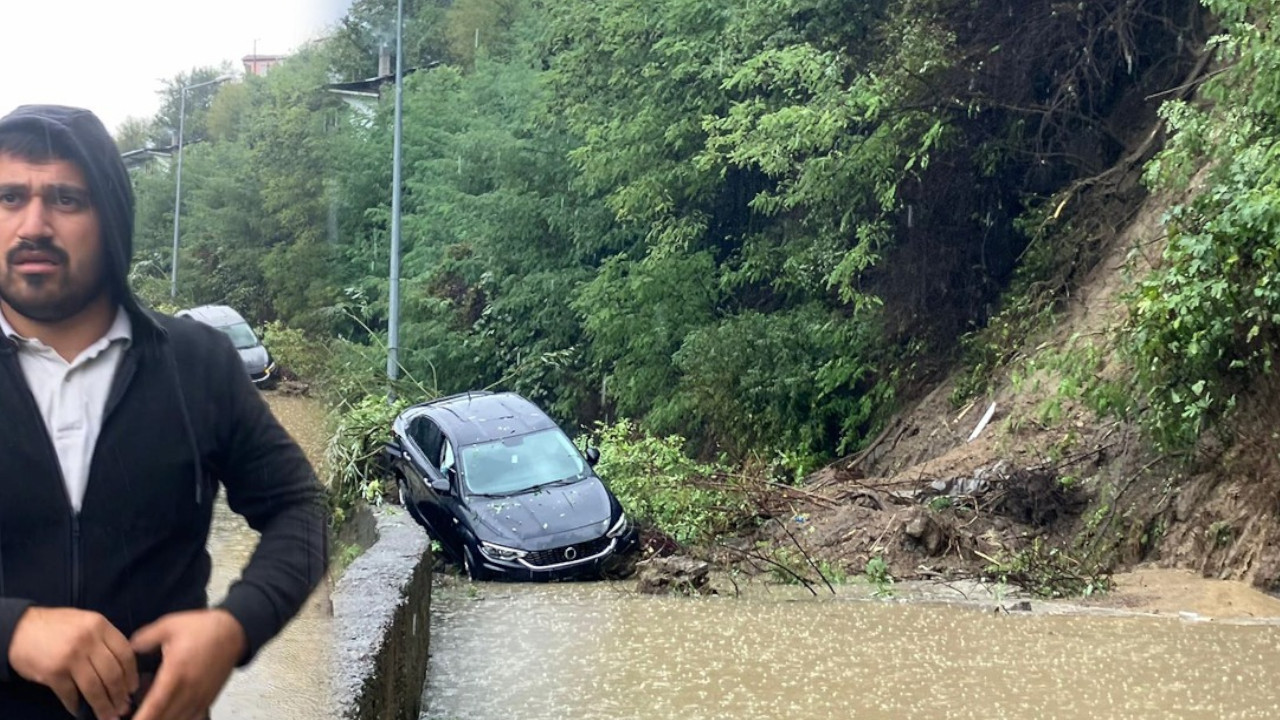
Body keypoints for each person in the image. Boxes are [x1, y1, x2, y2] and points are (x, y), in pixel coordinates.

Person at [0, 104, 329, 720]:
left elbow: (302, 511)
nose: (33, 224)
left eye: (66, 200)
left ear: (112, 218)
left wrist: (235, 628)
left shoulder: (196, 364)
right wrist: (13, 629)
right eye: (10, 197)